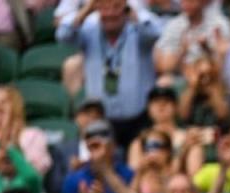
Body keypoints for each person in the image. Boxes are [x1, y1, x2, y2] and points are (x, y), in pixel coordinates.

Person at [56, 0, 162, 150]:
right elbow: (64, 36)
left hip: (139, 119)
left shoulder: (139, 31)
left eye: (116, 7)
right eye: (104, 8)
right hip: (102, 120)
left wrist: (128, 9)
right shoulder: (89, 30)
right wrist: (88, 9)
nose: (110, 13)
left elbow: (155, 33)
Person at [60, 119, 134, 193]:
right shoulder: (74, 178)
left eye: (99, 146)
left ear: (112, 147)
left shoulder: (128, 174)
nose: (96, 152)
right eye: (92, 147)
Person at [153, 0, 230, 79]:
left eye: (192, 1)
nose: (187, 5)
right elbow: (165, 68)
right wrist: (182, 51)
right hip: (182, 78)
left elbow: (227, 63)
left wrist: (207, 49)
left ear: (203, 2)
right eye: (184, 1)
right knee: (164, 80)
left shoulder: (220, 24)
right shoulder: (174, 25)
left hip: (212, 76)